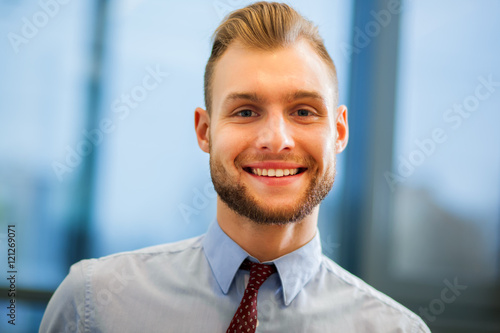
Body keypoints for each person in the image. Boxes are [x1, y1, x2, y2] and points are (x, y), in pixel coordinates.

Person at [40, 2, 430, 332]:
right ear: (205, 131)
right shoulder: (93, 305)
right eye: (246, 111)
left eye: (303, 111)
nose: (276, 139)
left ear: (339, 132)